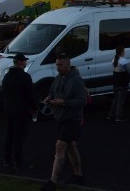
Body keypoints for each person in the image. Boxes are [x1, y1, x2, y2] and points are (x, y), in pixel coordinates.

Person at [41, 54, 87, 191]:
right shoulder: (58, 78)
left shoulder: (77, 81)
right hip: (60, 117)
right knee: (71, 147)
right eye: (56, 65)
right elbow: (52, 92)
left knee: (60, 146)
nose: (57, 67)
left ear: (68, 65)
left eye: (60, 65)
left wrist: (65, 103)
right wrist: (49, 98)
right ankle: (79, 175)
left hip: (72, 119)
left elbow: (82, 101)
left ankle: (52, 182)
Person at [2, 53, 38, 170]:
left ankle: (7, 159)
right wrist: (34, 108)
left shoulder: (7, 76)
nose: (25, 62)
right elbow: (31, 95)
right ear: (20, 62)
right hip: (21, 110)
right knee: (19, 137)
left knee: (9, 135)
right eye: (24, 61)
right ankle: (19, 161)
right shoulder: (25, 77)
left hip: (9, 109)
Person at [107, 46, 130, 121]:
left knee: (115, 99)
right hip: (123, 83)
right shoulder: (124, 61)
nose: (124, 52)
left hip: (115, 82)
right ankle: (118, 116)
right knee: (121, 101)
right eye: (124, 51)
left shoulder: (114, 59)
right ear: (122, 52)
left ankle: (110, 115)